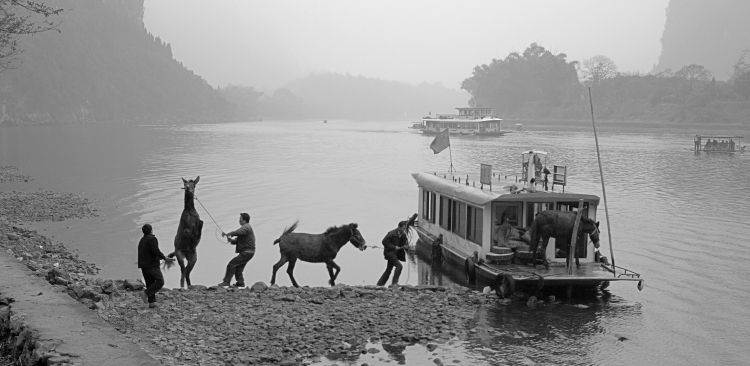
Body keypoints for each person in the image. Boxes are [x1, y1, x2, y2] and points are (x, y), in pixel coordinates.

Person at [138, 224, 174, 308]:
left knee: (150, 283)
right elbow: (155, 250)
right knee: (160, 281)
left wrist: (162, 258)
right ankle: (145, 293)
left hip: (143, 265)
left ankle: (152, 302)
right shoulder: (152, 238)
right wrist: (164, 258)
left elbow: (149, 252)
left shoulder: (142, 240)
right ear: (151, 230)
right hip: (151, 265)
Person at [219, 213, 255, 287]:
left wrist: (230, 233)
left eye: (240, 219)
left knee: (231, 264)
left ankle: (226, 282)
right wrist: (230, 240)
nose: (239, 220)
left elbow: (239, 232)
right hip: (249, 252)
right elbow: (237, 240)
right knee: (239, 267)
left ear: (244, 220)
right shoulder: (246, 228)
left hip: (247, 252)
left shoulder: (246, 227)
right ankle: (240, 283)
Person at [376, 220, 408, 286]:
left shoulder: (403, 235)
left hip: (395, 254)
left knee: (388, 270)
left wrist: (406, 246)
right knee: (399, 266)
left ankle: (380, 285)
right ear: (399, 227)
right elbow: (384, 242)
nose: (404, 230)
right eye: (403, 228)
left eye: (405, 228)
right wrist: (394, 247)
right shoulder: (391, 233)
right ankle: (394, 284)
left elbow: (405, 243)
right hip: (389, 253)